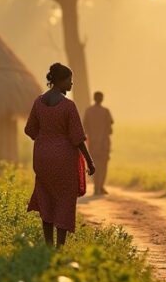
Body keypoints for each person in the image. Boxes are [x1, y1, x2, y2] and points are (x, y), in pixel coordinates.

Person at [25, 63, 96, 247]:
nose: (71, 85)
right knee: (64, 199)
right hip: (63, 160)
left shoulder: (38, 102)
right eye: (69, 81)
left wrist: (45, 140)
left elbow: (30, 130)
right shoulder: (68, 106)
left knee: (46, 197)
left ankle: (48, 244)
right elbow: (78, 138)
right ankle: (59, 247)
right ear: (59, 81)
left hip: (41, 158)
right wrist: (90, 161)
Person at [83, 91, 114, 195]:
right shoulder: (106, 111)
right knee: (103, 165)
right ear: (102, 99)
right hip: (104, 144)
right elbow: (110, 130)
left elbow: (85, 128)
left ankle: (96, 187)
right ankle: (100, 186)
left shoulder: (88, 111)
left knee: (93, 165)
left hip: (92, 143)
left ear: (94, 98)